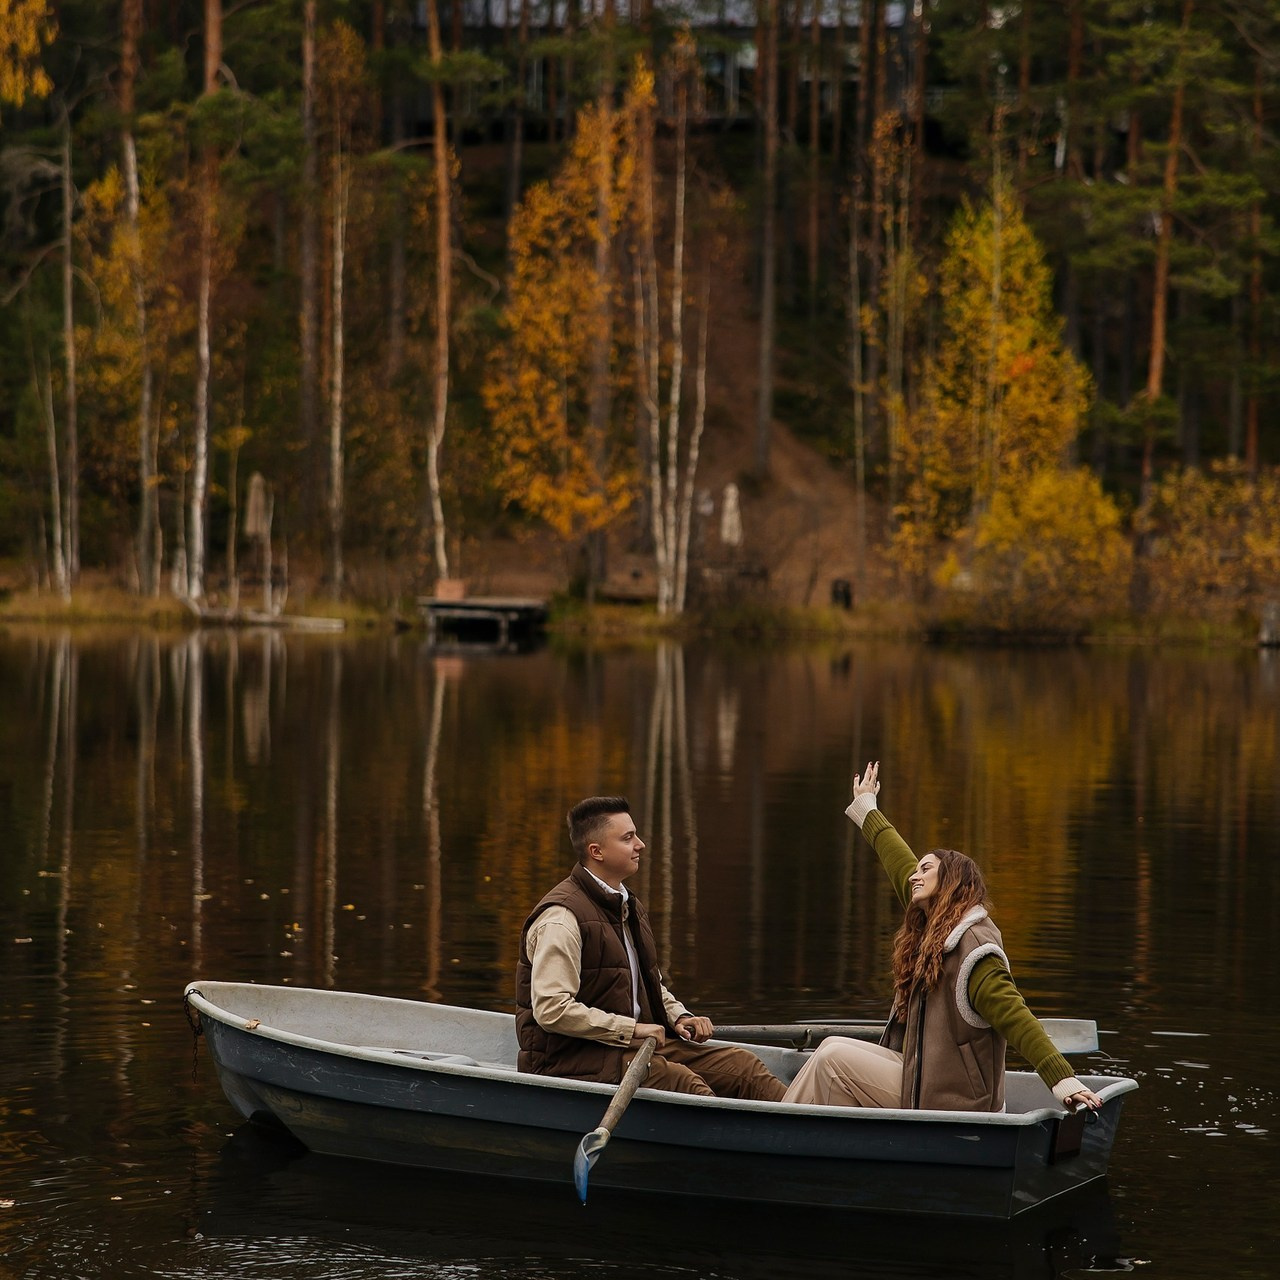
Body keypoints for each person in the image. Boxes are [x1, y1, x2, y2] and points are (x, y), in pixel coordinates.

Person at [784, 762, 1102, 1114]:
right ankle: (801, 1125)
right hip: (923, 1080)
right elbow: (899, 863)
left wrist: (1063, 1080)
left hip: (958, 1101)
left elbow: (1016, 1017)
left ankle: (775, 1126)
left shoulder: (975, 953)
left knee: (832, 1058)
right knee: (830, 1047)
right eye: (916, 871)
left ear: (950, 884)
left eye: (925, 870)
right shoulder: (933, 925)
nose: (913, 877)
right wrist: (867, 810)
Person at [516, 795, 787, 1101]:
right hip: (570, 1059)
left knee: (743, 1067)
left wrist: (679, 1017)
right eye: (627, 838)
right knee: (684, 1084)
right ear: (596, 851)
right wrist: (632, 1029)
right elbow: (551, 1010)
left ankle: (804, 1123)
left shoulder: (626, 905)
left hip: (630, 1046)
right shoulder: (562, 919)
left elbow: (649, 985)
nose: (641, 845)